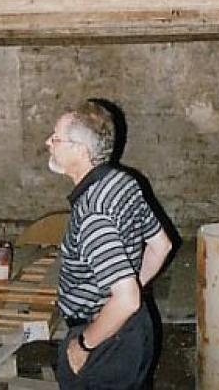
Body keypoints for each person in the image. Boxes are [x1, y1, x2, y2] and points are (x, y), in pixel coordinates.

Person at [46, 101, 172, 390]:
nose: (48, 143)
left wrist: (84, 345)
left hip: (105, 344)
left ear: (80, 150)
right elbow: (160, 246)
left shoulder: (93, 214)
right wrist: (121, 296)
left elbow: (127, 299)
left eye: (56, 138)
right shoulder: (123, 181)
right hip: (135, 330)